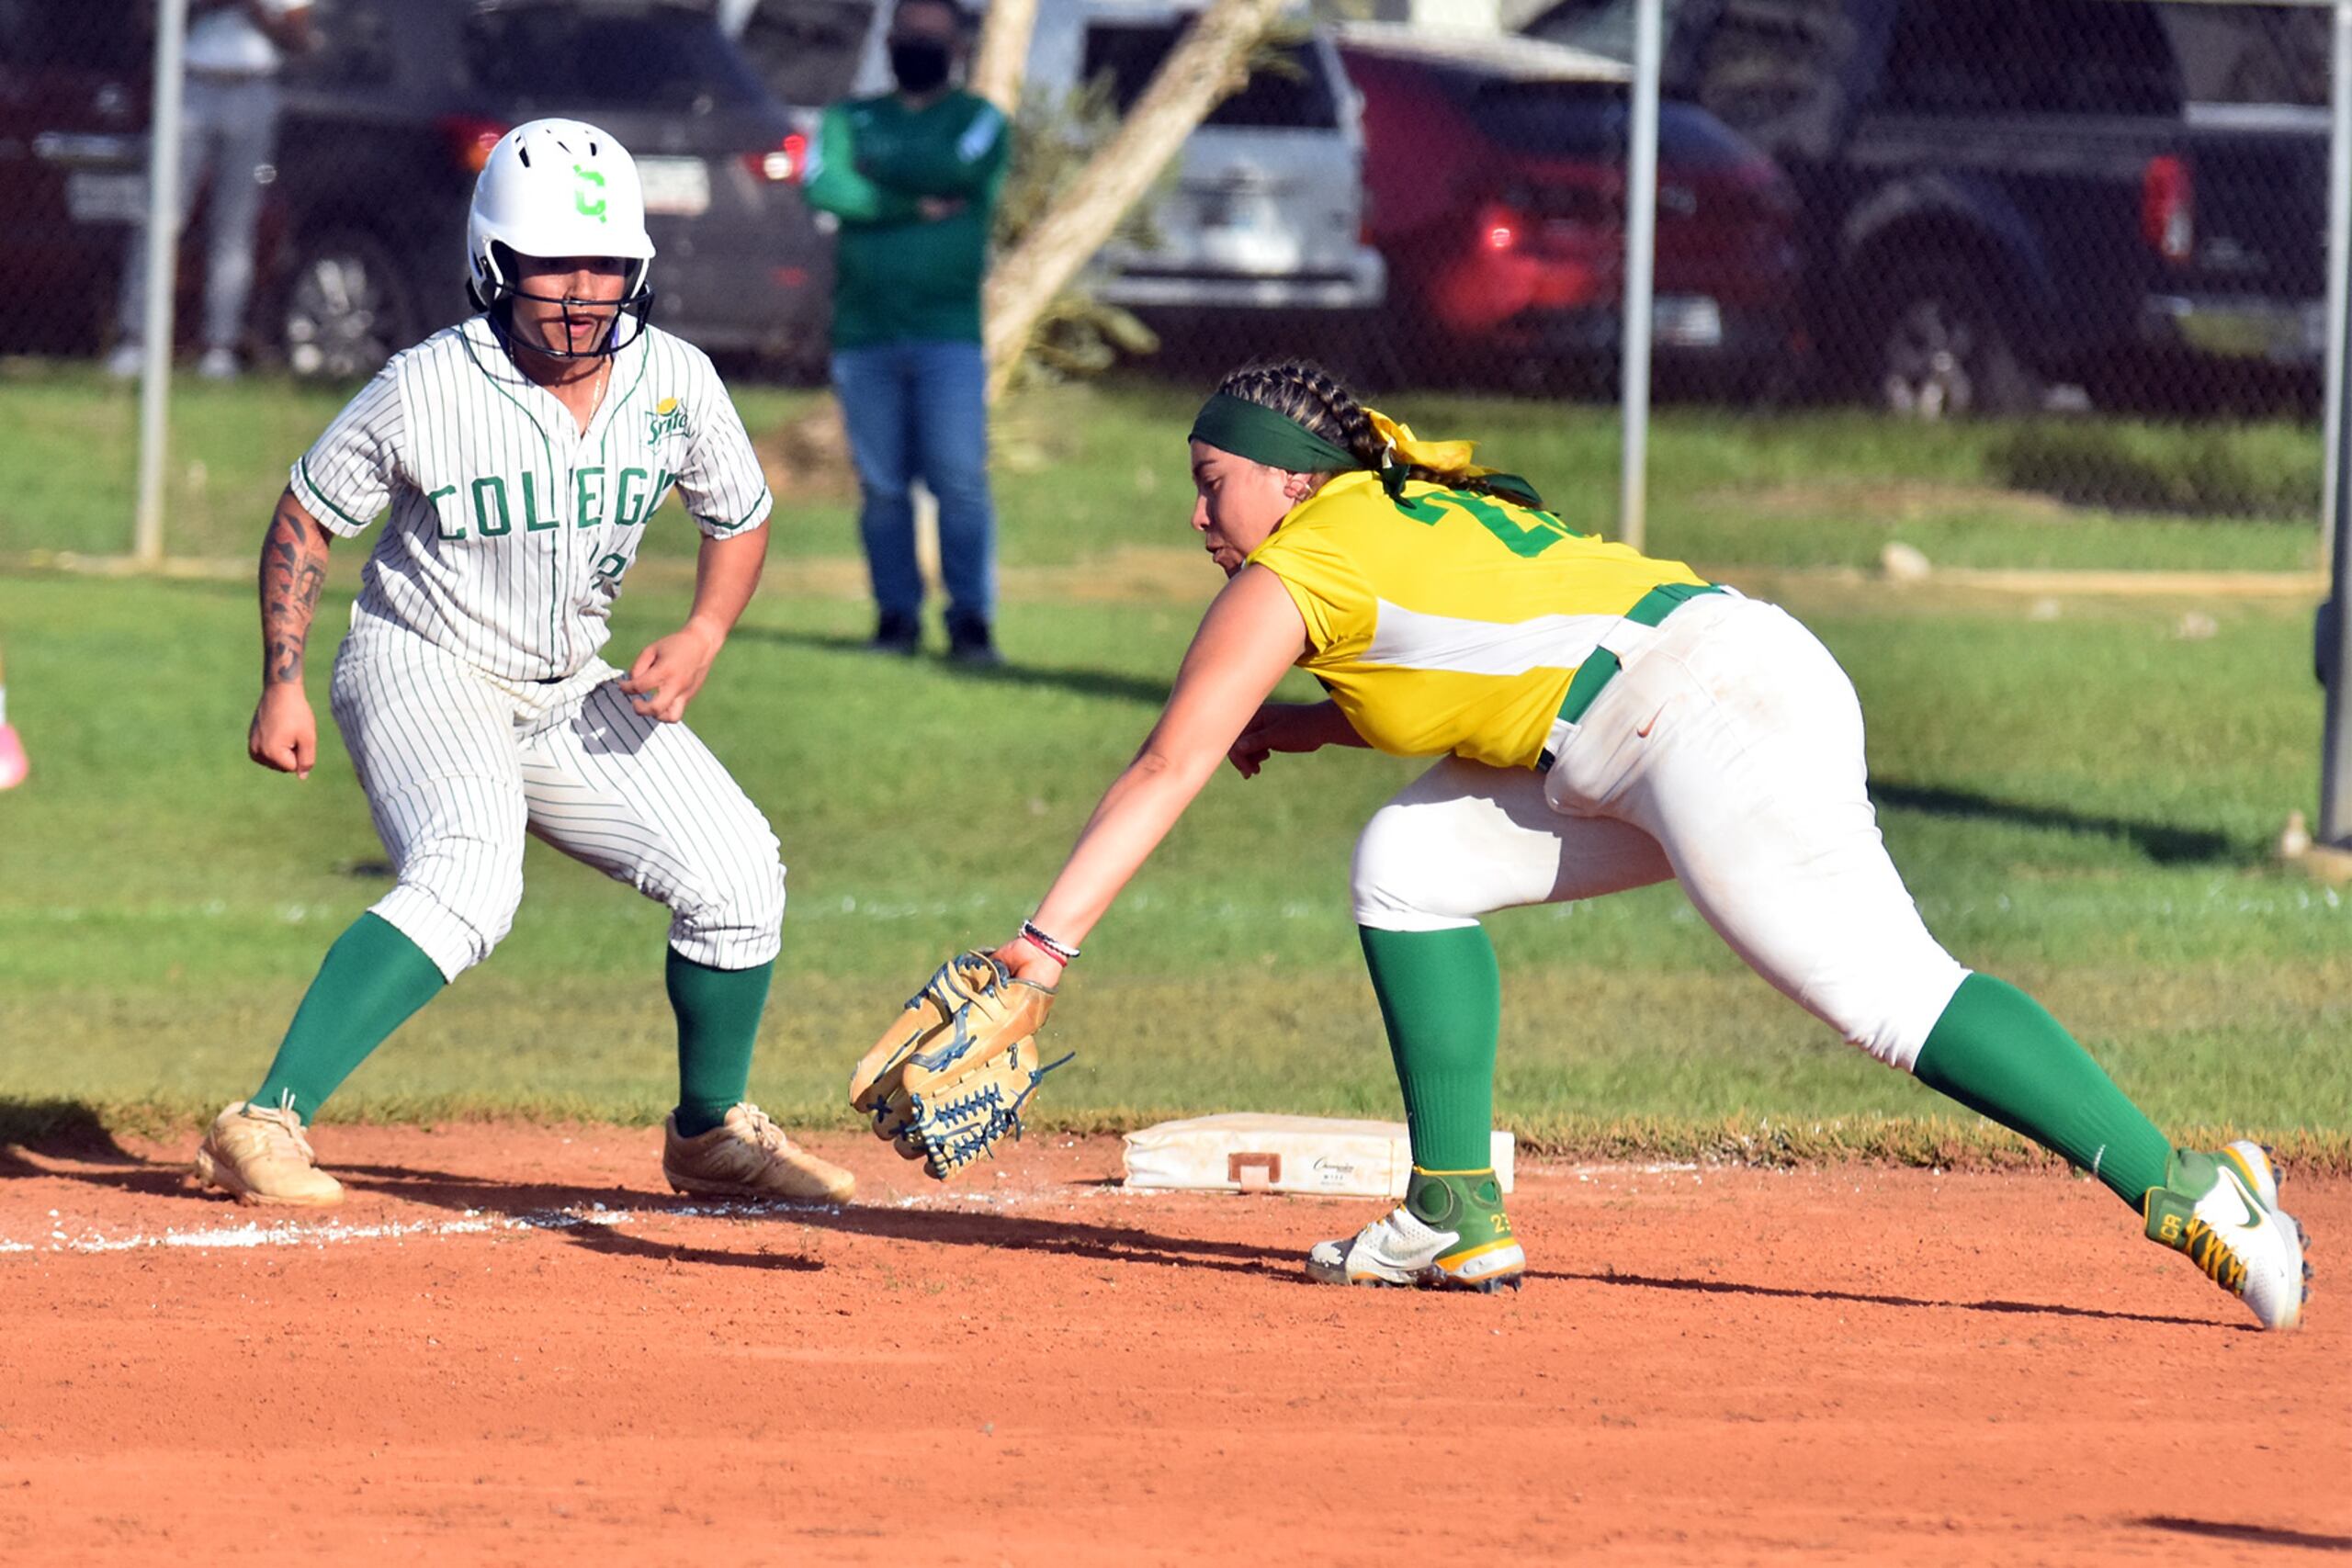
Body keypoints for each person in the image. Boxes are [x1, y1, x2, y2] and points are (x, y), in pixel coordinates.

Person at [982, 358, 2312, 1330]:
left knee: (1891, 997)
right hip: (1674, 708)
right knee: (1409, 865)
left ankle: (2197, 1187)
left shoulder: (1299, 566)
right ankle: (1453, 1210)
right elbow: (1468, 658)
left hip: (1698, 726)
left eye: (1213, 485)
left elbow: (1166, 761)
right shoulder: (1377, 516)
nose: (1201, 518)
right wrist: (1303, 729)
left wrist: (1040, 952)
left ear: (1287, 477)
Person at [192, 119, 853, 1209]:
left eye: (607, 265)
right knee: (467, 878)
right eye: (555, 264)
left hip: (567, 683)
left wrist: (703, 633)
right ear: (494, 265)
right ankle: (261, 1122)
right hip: (423, 662)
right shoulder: (427, 385)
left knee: (738, 876)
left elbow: (738, 515)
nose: (585, 290)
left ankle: (706, 1133)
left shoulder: (675, 381)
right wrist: (281, 680)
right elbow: (308, 518)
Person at [802, 0, 1009, 665]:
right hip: (864, 333)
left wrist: (877, 179)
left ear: (956, 47)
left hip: (948, 335)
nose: (915, 44)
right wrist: (907, 204)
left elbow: (960, 169)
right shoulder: (848, 117)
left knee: (959, 482)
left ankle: (970, 623)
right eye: (906, 35)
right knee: (883, 487)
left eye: (930, 36)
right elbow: (823, 185)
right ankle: (896, 619)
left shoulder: (979, 120)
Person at [109, 0, 313, 382]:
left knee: (235, 227)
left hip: (253, 89)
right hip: (190, 86)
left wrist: (255, 11)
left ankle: (220, 347)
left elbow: (300, 39)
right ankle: (136, 339)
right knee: (160, 216)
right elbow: (146, 20)